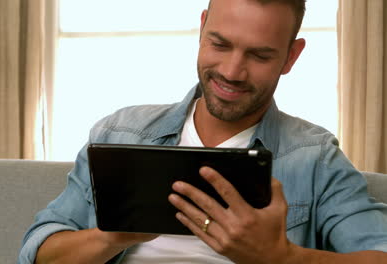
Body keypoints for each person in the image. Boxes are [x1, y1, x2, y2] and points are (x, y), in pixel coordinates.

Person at [19, 0, 387, 263]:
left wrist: (280, 257)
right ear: (201, 28)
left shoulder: (314, 157)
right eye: (219, 44)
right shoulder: (121, 133)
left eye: (259, 56)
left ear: (291, 57)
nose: (232, 71)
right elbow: (38, 252)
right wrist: (112, 236)